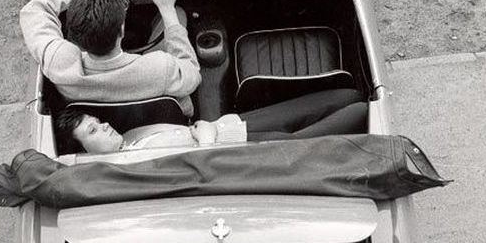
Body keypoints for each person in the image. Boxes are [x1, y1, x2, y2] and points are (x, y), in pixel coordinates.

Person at [20, 0, 201, 116]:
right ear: (122, 30)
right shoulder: (161, 69)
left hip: (97, 128)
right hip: (159, 125)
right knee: (178, 14)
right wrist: (166, 7)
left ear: (72, 34)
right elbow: (192, 72)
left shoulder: (59, 64)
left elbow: (34, 10)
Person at [56, 89, 368, 153]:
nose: (105, 125)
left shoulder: (131, 136)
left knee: (346, 95)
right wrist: (204, 138)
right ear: (85, 152)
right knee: (359, 112)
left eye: (98, 120)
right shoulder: (126, 167)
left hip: (233, 125)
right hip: (240, 149)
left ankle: (361, 98)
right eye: (93, 130)